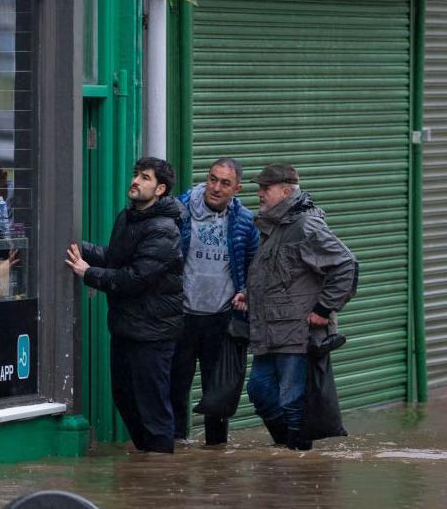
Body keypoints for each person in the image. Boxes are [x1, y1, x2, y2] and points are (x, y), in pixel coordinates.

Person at [65, 157, 184, 453]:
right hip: (127, 328)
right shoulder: (128, 216)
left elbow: (135, 278)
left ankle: (160, 476)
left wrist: (87, 273)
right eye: (135, 175)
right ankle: (147, 468)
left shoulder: (163, 229)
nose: (135, 181)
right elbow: (117, 259)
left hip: (153, 333)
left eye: (144, 177)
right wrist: (79, 248)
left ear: (160, 189)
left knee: (153, 409)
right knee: (125, 398)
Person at [246, 163, 358, 451]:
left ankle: (298, 460)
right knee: (259, 391)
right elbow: (281, 276)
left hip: (297, 333)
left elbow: (345, 264)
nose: (259, 193)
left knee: (292, 400)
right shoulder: (273, 226)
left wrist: (323, 310)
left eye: (265, 188)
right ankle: (289, 452)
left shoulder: (305, 226)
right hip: (269, 331)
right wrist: (248, 294)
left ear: (285, 191)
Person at [172, 157, 259, 446]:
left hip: (221, 317)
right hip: (182, 314)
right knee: (176, 387)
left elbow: (253, 265)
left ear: (238, 189)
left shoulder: (245, 222)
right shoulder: (180, 210)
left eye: (225, 183)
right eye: (213, 179)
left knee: (218, 391)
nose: (216, 187)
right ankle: (174, 450)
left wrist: (245, 290)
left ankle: (216, 454)